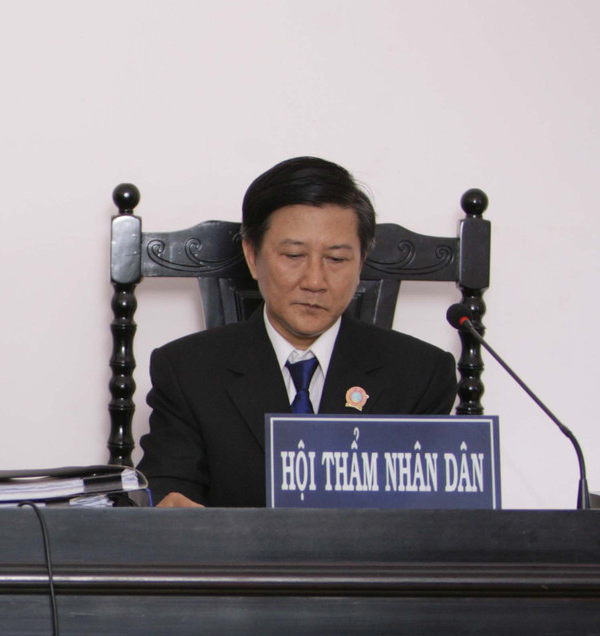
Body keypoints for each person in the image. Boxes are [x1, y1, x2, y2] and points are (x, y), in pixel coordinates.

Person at [136, 157, 459, 508]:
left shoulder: (421, 375)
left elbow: (433, 518)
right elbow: (168, 491)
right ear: (252, 256)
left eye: (336, 259)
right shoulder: (187, 370)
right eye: (293, 255)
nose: (315, 281)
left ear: (362, 260)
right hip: (234, 546)